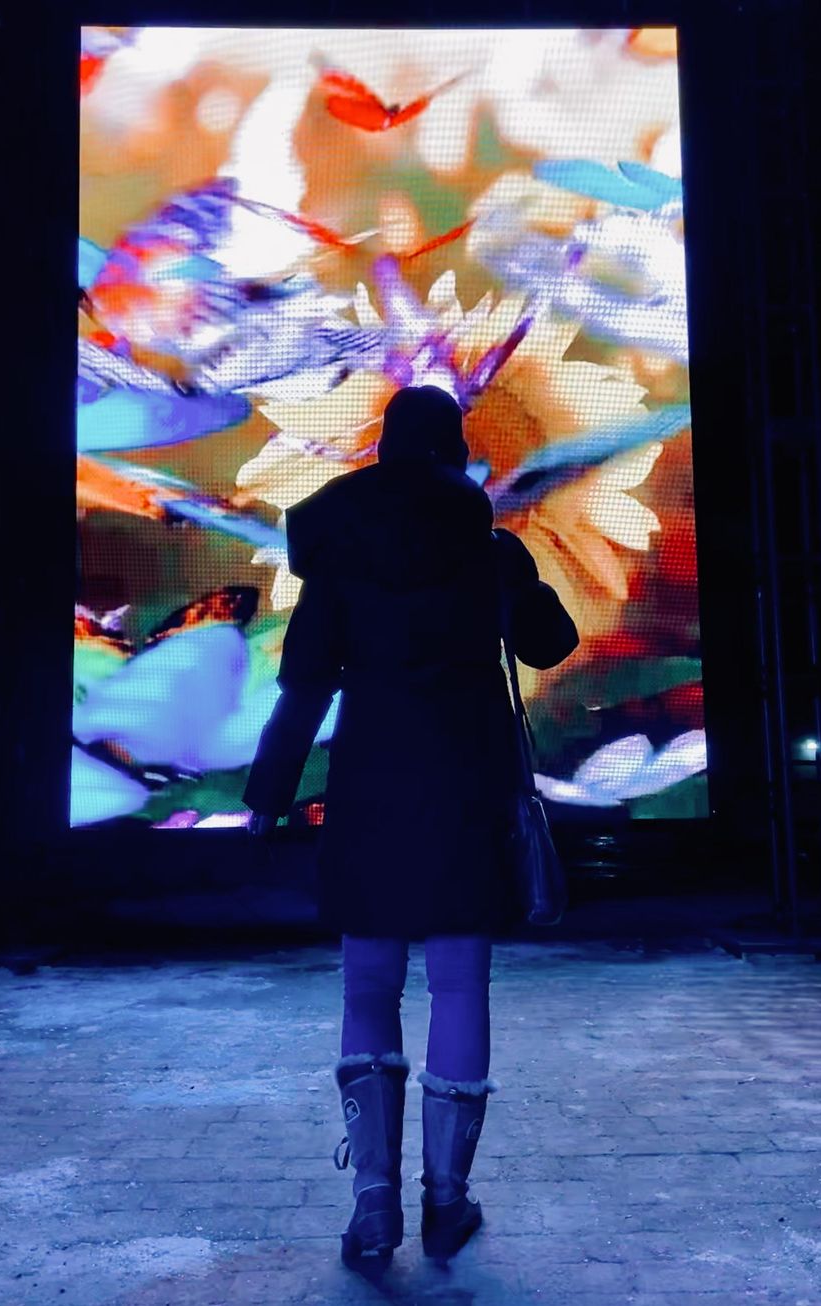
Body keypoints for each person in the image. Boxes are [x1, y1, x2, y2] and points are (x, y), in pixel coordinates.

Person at [243, 385, 579, 1265]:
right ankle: (447, 1201)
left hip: (370, 791)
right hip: (466, 789)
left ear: (382, 453)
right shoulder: (488, 552)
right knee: (460, 987)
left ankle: (374, 1205)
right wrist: (515, 572)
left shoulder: (339, 559)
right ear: (456, 452)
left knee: (368, 989)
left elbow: (303, 689)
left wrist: (268, 794)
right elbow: (552, 644)